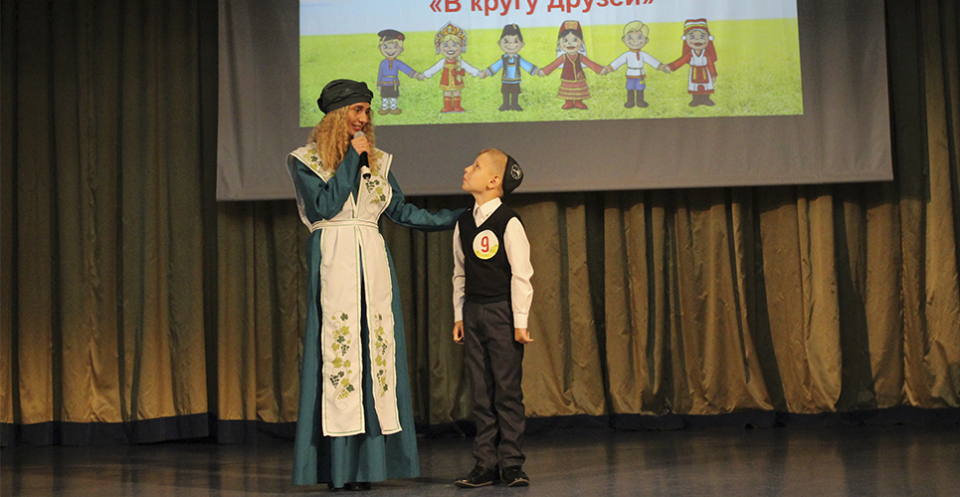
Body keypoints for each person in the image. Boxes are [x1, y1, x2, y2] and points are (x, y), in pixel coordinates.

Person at [287, 79, 465, 491]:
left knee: (374, 358)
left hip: (372, 262)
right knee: (339, 357)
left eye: (367, 111)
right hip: (334, 259)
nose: (364, 119)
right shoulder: (307, 160)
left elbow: (401, 211)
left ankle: (367, 467)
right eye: (357, 111)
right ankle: (338, 469)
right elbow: (325, 205)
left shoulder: (379, 162)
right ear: (337, 116)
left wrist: (460, 218)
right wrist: (352, 159)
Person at [451, 149, 534, 488]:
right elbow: (459, 272)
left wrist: (520, 321)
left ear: (494, 180)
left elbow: (521, 273)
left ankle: (511, 463)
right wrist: (459, 314)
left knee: (507, 390)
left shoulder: (508, 221)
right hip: (473, 312)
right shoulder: (463, 222)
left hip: (501, 312)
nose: (467, 168)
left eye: (476, 166)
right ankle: (485, 463)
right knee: (481, 392)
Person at [601, 21, 668, 108]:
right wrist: (609, 68)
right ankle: (630, 101)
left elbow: (651, 61)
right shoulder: (627, 55)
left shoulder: (643, 54)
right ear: (623, 39)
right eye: (630, 37)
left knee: (640, 88)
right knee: (630, 88)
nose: (634, 41)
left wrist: (661, 67)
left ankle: (640, 101)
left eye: (639, 37)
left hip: (640, 74)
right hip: (630, 73)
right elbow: (619, 61)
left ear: (646, 40)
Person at [541, 20, 604, 110]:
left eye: (574, 40)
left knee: (579, 89)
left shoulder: (580, 56)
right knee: (567, 89)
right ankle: (569, 102)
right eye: (565, 40)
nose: (569, 43)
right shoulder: (563, 57)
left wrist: (600, 69)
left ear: (581, 42)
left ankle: (578, 102)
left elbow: (590, 63)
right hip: (567, 77)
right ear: (559, 42)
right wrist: (544, 71)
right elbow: (554, 64)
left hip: (579, 76)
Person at [483, 24, 540, 112]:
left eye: (515, 41)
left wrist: (536, 71)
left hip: (515, 80)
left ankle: (514, 104)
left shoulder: (518, 59)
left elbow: (527, 66)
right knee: (505, 92)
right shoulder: (503, 59)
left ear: (522, 44)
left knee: (515, 92)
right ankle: (505, 104)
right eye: (506, 41)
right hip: (505, 80)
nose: (510, 45)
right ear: (499, 43)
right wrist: (486, 73)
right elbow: (495, 67)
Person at [666, 18, 718, 107]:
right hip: (694, 72)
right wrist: (670, 67)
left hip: (705, 73)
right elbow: (681, 61)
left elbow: (710, 65)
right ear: (686, 39)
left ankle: (706, 99)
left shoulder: (707, 54)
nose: (697, 40)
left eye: (702, 37)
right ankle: (696, 100)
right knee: (694, 86)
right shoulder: (690, 54)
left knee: (706, 86)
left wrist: (713, 75)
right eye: (692, 37)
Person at [375, 29, 421, 115]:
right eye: (386, 47)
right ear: (380, 47)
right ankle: (384, 108)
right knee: (384, 96)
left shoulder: (397, 63)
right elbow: (380, 74)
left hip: (394, 83)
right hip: (384, 83)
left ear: (401, 49)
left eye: (394, 47)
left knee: (394, 96)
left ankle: (393, 108)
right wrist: (379, 84)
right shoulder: (383, 63)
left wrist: (415, 75)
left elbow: (406, 69)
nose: (390, 50)